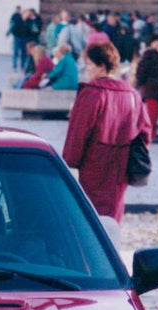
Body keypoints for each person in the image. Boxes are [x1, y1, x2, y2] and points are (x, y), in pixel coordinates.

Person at [62, 40, 150, 223]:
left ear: (101, 66)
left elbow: (77, 134)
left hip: (93, 165)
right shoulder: (132, 94)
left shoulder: (92, 94)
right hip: (120, 166)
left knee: (89, 219)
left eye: (89, 65)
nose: (87, 70)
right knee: (112, 219)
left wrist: (69, 163)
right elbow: (145, 132)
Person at [135, 33, 158, 142]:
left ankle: (152, 135)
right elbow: (141, 72)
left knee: (156, 114)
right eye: (157, 42)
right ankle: (148, 135)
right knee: (152, 115)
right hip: (151, 90)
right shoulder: (148, 55)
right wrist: (141, 85)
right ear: (151, 43)